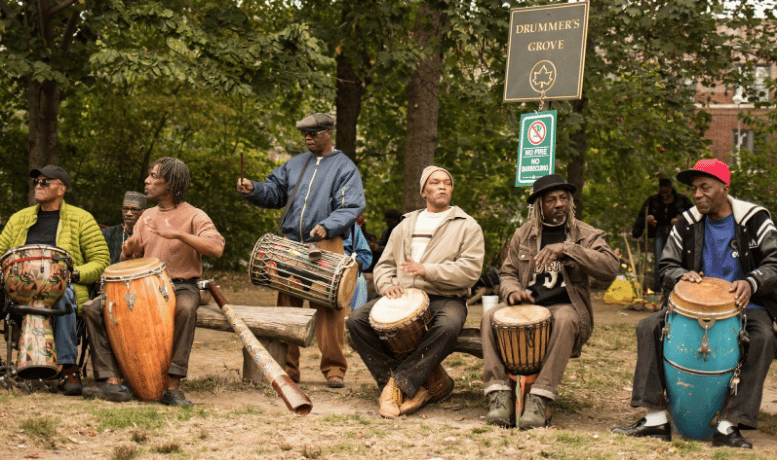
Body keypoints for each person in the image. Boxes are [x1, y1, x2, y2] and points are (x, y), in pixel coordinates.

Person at [613, 159, 777, 448]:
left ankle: (730, 424)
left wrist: (751, 283)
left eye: (705, 187)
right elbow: (666, 266)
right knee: (648, 325)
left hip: (747, 306)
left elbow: (774, 262)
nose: (698, 194)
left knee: (763, 337)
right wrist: (680, 274)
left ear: (724, 188)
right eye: (694, 189)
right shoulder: (687, 223)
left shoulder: (754, 219)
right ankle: (654, 419)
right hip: (692, 308)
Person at [237, 113, 365, 389]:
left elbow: (351, 206)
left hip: (328, 243)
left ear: (328, 133)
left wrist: (328, 226)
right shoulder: (295, 164)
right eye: (305, 134)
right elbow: (275, 192)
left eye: (313, 133)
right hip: (292, 244)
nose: (307, 138)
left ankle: (334, 369)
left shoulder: (345, 167)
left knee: (330, 308)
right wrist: (254, 189)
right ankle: (288, 368)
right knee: (286, 307)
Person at [82, 157, 225, 405]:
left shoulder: (195, 215)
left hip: (180, 285)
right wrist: (129, 251)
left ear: (169, 184)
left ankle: (173, 386)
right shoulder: (146, 216)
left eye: (153, 177)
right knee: (93, 308)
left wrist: (180, 234)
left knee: (185, 309)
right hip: (144, 287)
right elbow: (127, 258)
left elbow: (216, 248)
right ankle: (112, 382)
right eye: (148, 176)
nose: (147, 181)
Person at [481, 174, 619, 429]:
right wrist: (511, 292)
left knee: (566, 320)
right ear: (539, 206)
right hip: (526, 306)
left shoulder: (585, 234)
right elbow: (508, 274)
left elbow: (610, 267)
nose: (559, 204)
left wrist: (568, 249)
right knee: (489, 317)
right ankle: (498, 394)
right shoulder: (523, 235)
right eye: (551, 199)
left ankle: (540, 398)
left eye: (563, 198)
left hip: (564, 306)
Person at [347, 166, 485, 418]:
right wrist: (387, 284)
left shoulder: (467, 226)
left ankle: (396, 386)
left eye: (447, 183)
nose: (442, 186)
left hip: (445, 297)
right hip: (403, 296)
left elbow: (470, 271)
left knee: (448, 326)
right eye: (435, 182)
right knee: (357, 321)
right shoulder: (405, 225)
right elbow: (385, 265)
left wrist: (427, 270)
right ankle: (421, 384)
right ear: (423, 190)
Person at [0, 165, 110, 395]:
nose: (38, 186)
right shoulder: (20, 218)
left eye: (44, 182)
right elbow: (1, 252)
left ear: (61, 189)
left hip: (63, 287)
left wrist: (74, 274)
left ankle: (69, 367)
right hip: (17, 288)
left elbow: (100, 260)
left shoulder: (81, 219)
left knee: (62, 296)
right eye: (36, 182)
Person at [631, 178, 693, 292]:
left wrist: (680, 219)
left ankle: (677, 288)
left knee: (677, 259)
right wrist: (647, 220)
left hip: (676, 233)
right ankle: (659, 288)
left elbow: (693, 213)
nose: (664, 195)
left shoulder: (682, 200)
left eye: (667, 193)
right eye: (662, 193)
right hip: (659, 231)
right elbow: (642, 215)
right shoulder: (652, 200)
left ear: (671, 189)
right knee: (659, 260)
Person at [101, 191, 147, 264]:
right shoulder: (107, 233)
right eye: (125, 209)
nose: (128, 213)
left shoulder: (149, 235)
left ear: (144, 212)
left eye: (134, 209)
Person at [343, 220, 373, 311]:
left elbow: (365, 256)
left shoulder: (352, 226)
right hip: (318, 265)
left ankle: (356, 319)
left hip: (347, 267)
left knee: (360, 282)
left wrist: (351, 262)